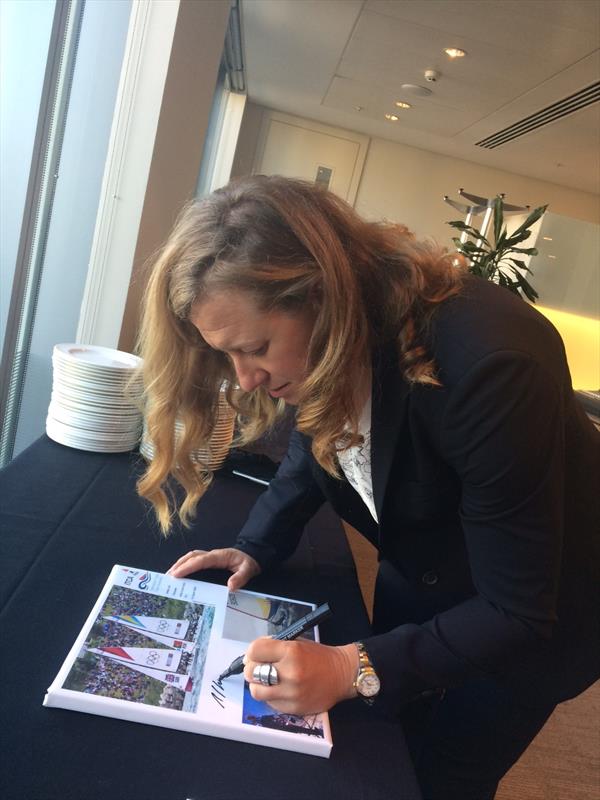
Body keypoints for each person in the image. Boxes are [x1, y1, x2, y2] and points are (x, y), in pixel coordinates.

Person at [137, 175, 599, 799]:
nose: (245, 380)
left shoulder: (490, 363)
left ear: (323, 296)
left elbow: (515, 609)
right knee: (389, 744)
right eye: (227, 357)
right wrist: (258, 542)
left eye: (256, 349)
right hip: (426, 563)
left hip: (543, 611)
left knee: (444, 775)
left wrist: (352, 664)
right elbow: (319, 435)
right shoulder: (335, 341)